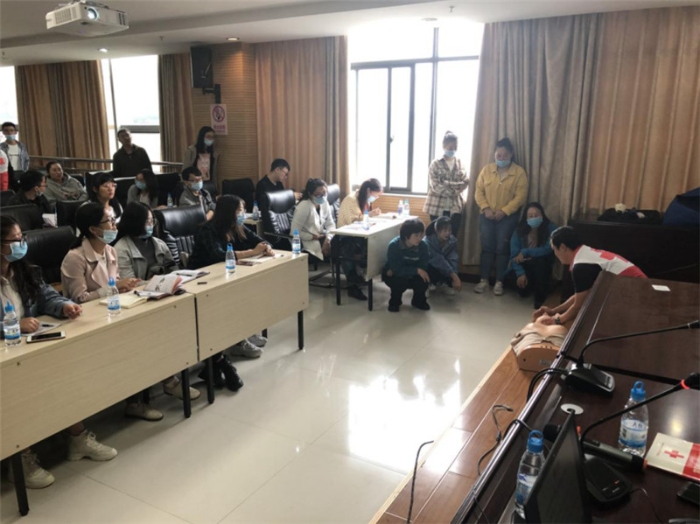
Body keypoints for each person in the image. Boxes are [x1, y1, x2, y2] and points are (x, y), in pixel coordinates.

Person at [1, 215, 116, 489]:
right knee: (17, 391)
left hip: (27, 346)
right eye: (14, 240)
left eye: (22, 238)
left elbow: (45, 296)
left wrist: (64, 305)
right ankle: (20, 459)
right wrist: (11, 326)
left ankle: (77, 439)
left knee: (64, 371)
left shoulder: (23, 270)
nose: (21, 244)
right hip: (5, 356)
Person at [60, 203, 159, 420]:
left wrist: (127, 286)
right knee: (132, 343)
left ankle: (163, 383)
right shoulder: (75, 258)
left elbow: (115, 286)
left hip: (113, 313)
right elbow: (79, 300)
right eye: (110, 221)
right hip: (86, 322)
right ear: (94, 229)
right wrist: (115, 287)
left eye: (115, 220)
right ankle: (136, 401)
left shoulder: (110, 251)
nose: (115, 225)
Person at [115, 202, 201, 402]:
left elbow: (173, 270)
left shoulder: (159, 243)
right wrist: (158, 283)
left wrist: (175, 280)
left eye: (152, 221)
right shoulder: (121, 249)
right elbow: (129, 284)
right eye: (147, 221)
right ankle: (170, 381)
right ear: (135, 222)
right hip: (138, 304)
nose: (151, 225)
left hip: (163, 298)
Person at [189, 195, 273, 386]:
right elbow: (218, 255)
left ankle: (239, 335)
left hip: (226, 275)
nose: (243, 214)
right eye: (240, 211)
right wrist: (252, 252)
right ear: (229, 213)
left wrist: (266, 247)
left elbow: (259, 240)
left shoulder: (236, 226)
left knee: (246, 294)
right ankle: (235, 342)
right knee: (231, 301)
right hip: (202, 278)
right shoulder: (207, 229)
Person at [534, 226, 647, 326]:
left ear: (563, 247)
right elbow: (581, 295)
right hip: (641, 286)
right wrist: (554, 311)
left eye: (554, 249)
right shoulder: (585, 253)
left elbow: (579, 305)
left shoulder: (581, 266)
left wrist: (557, 320)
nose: (555, 254)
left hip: (637, 293)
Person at [474, 137, 528, 296]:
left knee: (502, 249)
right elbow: (478, 192)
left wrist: (504, 211)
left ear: (511, 154)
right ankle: (483, 280)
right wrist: (485, 208)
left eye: (505, 155)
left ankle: (499, 282)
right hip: (487, 215)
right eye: (498, 155)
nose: (501, 158)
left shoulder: (519, 173)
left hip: (507, 218)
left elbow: (520, 197)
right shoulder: (486, 170)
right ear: (494, 154)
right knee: (487, 248)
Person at [335, 178, 383, 301]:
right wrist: (369, 215)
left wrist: (371, 216)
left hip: (357, 236)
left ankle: (361, 274)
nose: (376, 198)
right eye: (375, 195)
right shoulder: (351, 200)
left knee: (374, 242)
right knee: (351, 249)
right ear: (368, 190)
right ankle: (352, 284)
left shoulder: (364, 199)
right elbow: (353, 221)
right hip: (344, 237)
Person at [508, 202, 557, 309]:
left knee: (540, 262)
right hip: (525, 264)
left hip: (542, 264)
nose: (534, 218)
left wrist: (526, 252)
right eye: (530, 216)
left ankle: (540, 297)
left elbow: (548, 249)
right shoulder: (519, 231)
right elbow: (514, 256)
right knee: (520, 288)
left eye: (537, 215)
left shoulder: (551, 228)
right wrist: (520, 273)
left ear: (542, 215)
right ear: (526, 218)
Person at [423, 131, 468, 237]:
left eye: (455, 147)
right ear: (444, 146)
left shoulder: (460, 163)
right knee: (436, 236)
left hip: (455, 206)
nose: (453, 150)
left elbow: (465, 182)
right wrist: (455, 189)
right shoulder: (435, 163)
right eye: (450, 147)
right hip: (437, 206)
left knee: (452, 236)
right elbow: (435, 185)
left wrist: (447, 184)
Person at [382, 218, 430, 312]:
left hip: (412, 274)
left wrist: (416, 271)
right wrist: (416, 270)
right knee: (398, 280)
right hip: (396, 275)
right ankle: (394, 302)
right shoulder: (394, 245)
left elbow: (423, 266)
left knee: (423, 279)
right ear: (406, 236)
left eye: (421, 235)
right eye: (416, 235)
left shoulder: (423, 246)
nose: (419, 238)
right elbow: (397, 269)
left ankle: (418, 301)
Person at [290, 178, 335, 260]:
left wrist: (328, 240)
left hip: (322, 237)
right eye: (318, 195)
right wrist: (312, 237)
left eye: (324, 193)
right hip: (308, 242)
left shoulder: (325, 203)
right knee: (339, 246)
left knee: (342, 240)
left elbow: (330, 224)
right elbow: (294, 232)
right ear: (310, 194)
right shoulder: (304, 206)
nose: (322, 197)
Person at [425, 216, 461, 296]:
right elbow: (437, 259)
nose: (448, 233)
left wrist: (454, 276)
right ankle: (427, 284)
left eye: (449, 230)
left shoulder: (452, 241)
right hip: (430, 266)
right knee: (428, 264)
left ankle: (443, 284)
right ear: (436, 230)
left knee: (451, 264)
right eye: (444, 230)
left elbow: (453, 258)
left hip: (443, 267)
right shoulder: (428, 241)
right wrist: (454, 276)